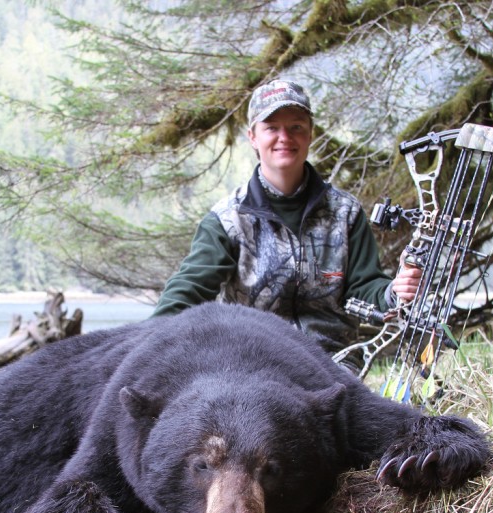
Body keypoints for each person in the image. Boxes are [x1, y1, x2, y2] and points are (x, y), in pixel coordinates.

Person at [152, 78, 421, 359]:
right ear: (253, 137)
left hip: (333, 362)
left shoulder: (346, 212)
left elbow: (365, 287)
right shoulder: (227, 219)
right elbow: (188, 290)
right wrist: (143, 344)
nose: (285, 137)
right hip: (249, 363)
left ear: (310, 133)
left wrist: (393, 292)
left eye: (296, 127)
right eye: (272, 128)